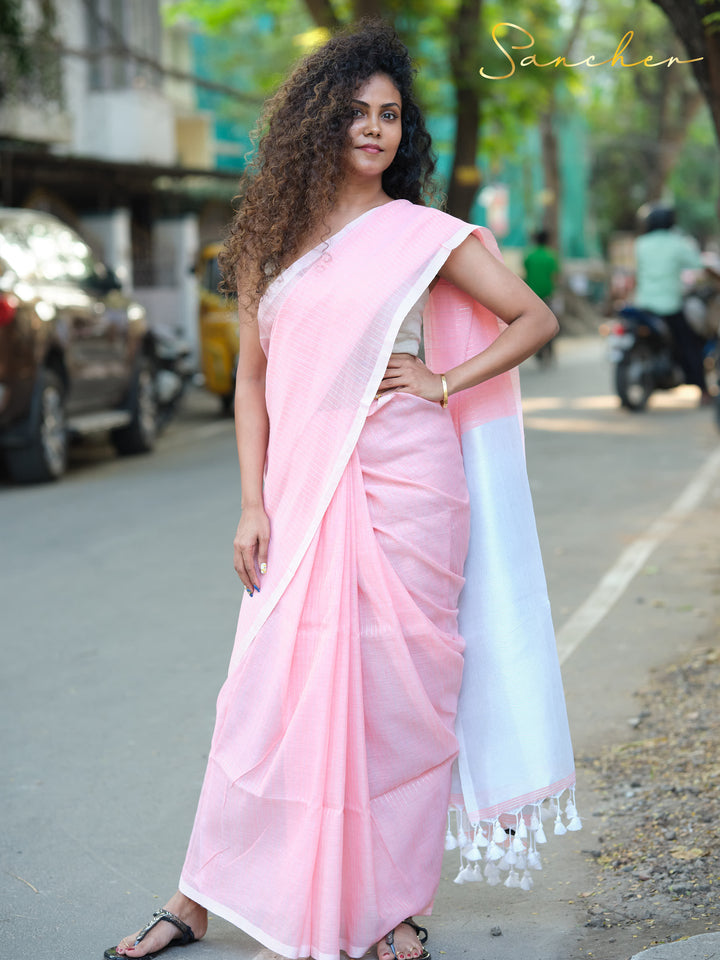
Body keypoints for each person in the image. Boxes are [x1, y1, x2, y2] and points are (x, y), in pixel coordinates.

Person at [105, 21, 577, 960]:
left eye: (391, 115)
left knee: (400, 703)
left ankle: (394, 905)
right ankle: (197, 896)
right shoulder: (270, 243)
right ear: (320, 120)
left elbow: (534, 317)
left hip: (411, 488)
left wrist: (443, 381)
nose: (374, 129)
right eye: (358, 112)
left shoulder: (423, 237)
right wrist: (252, 504)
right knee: (261, 699)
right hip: (299, 493)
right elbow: (250, 384)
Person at [633, 206, 710, 405]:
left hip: (644, 304)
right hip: (669, 306)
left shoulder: (641, 244)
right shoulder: (677, 243)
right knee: (689, 345)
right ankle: (703, 391)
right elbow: (696, 263)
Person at [523, 229, 560, 366]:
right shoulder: (551, 256)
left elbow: (526, 273)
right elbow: (555, 276)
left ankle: (538, 350)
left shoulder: (529, 256)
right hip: (547, 295)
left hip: (532, 295)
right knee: (550, 322)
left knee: (535, 324)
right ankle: (549, 350)